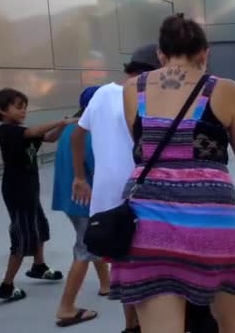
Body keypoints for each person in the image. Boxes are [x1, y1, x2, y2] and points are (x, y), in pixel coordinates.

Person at [104, 13, 235, 333]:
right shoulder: (225, 90)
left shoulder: (133, 89)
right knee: (234, 325)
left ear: (160, 54)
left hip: (148, 225)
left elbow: (141, 146)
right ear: (205, 53)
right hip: (214, 221)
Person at [71, 43, 164, 333]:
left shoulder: (100, 94)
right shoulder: (146, 94)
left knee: (123, 265)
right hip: (139, 195)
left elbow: (76, 135)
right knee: (151, 267)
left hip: (107, 198)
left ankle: (131, 325)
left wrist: (80, 177)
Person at [0, 88, 70, 302]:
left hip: (30, 189)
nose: (23, 110)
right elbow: (34, 132)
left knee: (40, 227)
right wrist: (58, 122)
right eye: (18, 106)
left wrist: (62, 126)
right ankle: (7, 285)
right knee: (22, 237)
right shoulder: (6, 131)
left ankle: (39, 266)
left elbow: (50, 139)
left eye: (25, 106)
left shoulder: (21, 130)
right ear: (1, 110)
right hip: (17, 192)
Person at [52, 86, 110, 327]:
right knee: (84, 249)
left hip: (69, 198)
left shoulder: (72, 128)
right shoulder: (89, 131)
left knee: (90, 240)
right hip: (83, 199)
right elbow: (99, 168)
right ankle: (66, 307)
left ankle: (106, 285)